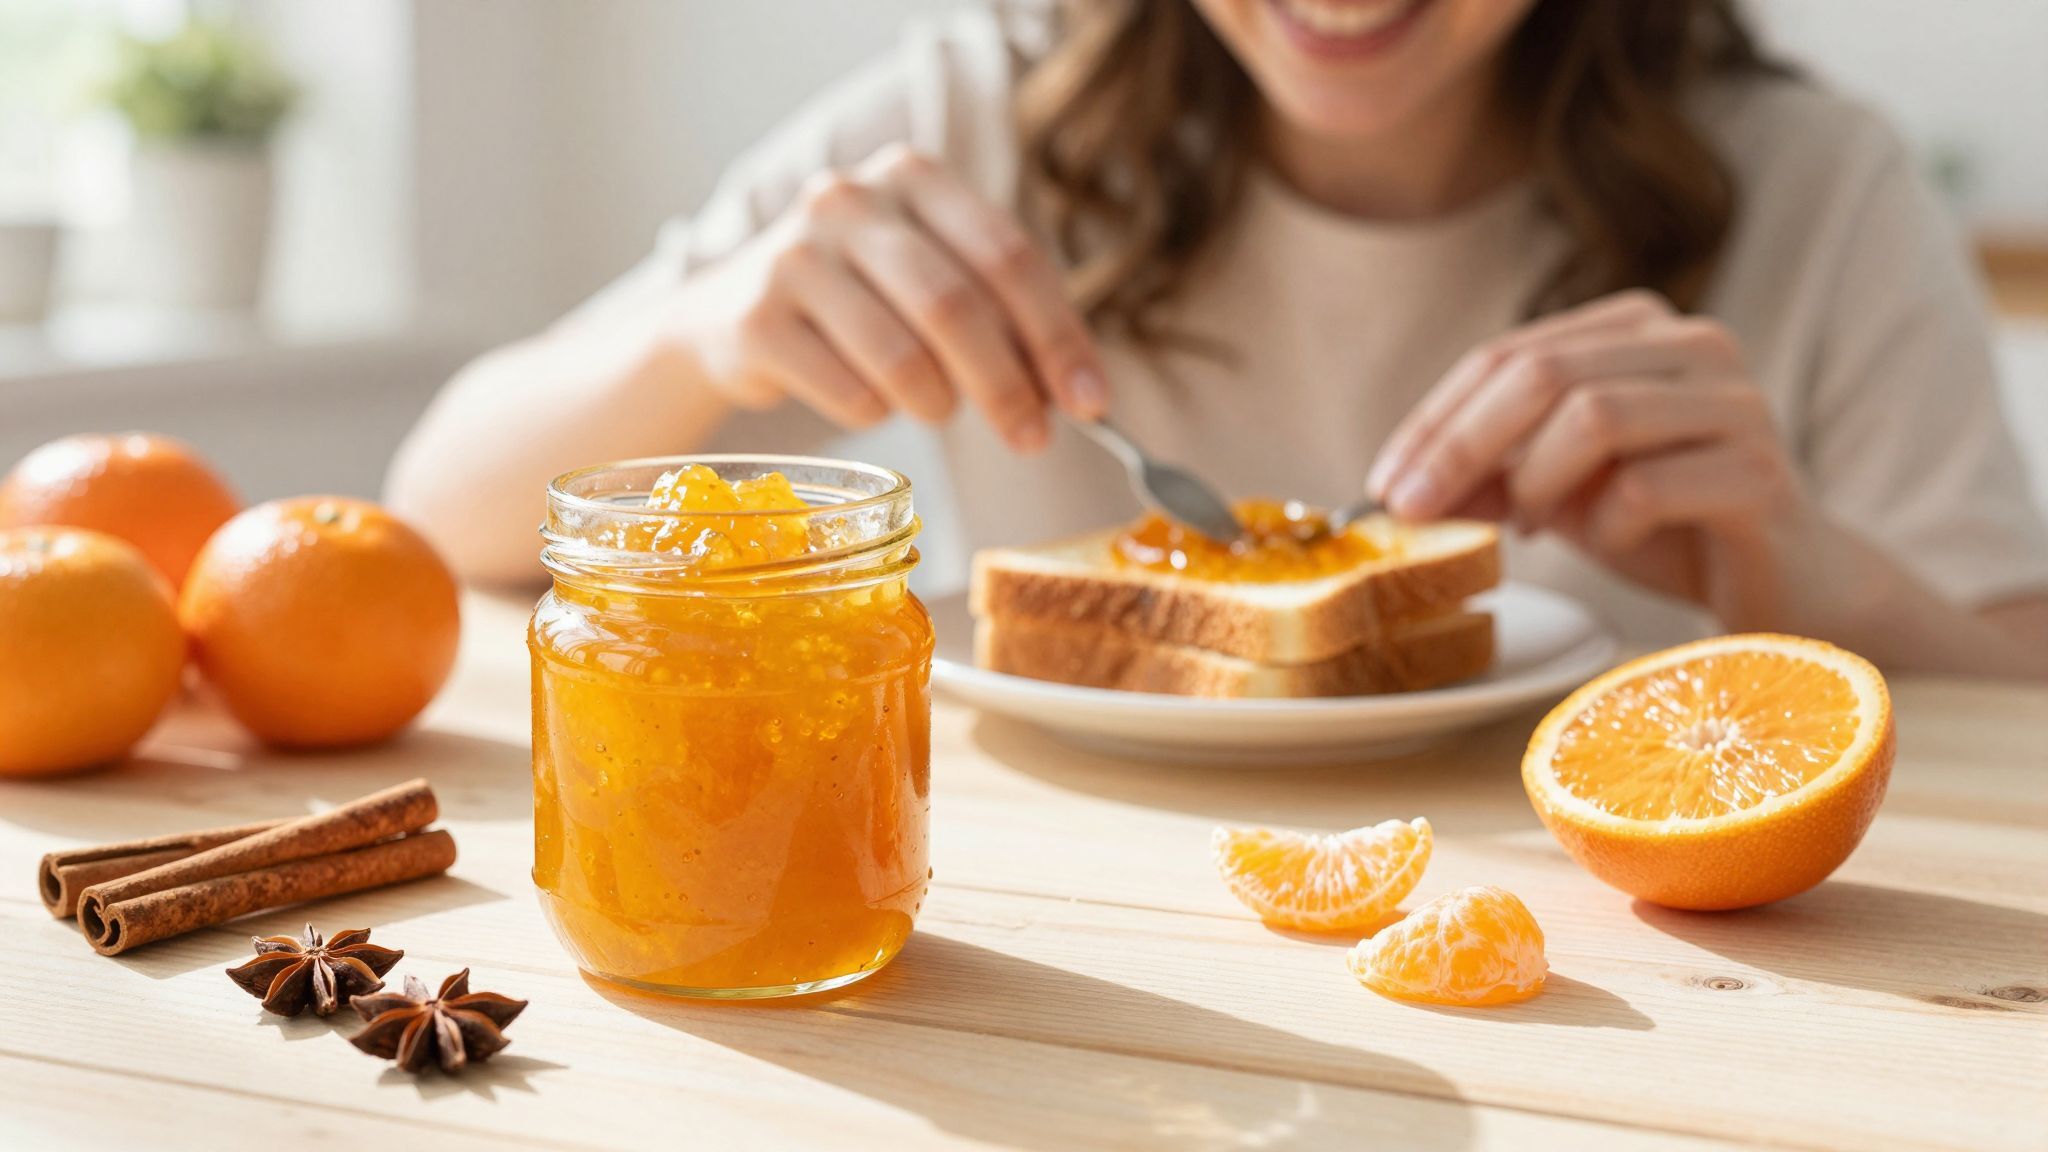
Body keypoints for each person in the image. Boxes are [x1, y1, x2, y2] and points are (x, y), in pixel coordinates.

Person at [387, 0, 2048, 678]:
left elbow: (2022, 699)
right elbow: (439, 518)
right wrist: (700, 339)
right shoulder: (983, 105)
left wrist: (1803, 573)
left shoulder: (1815, 185)